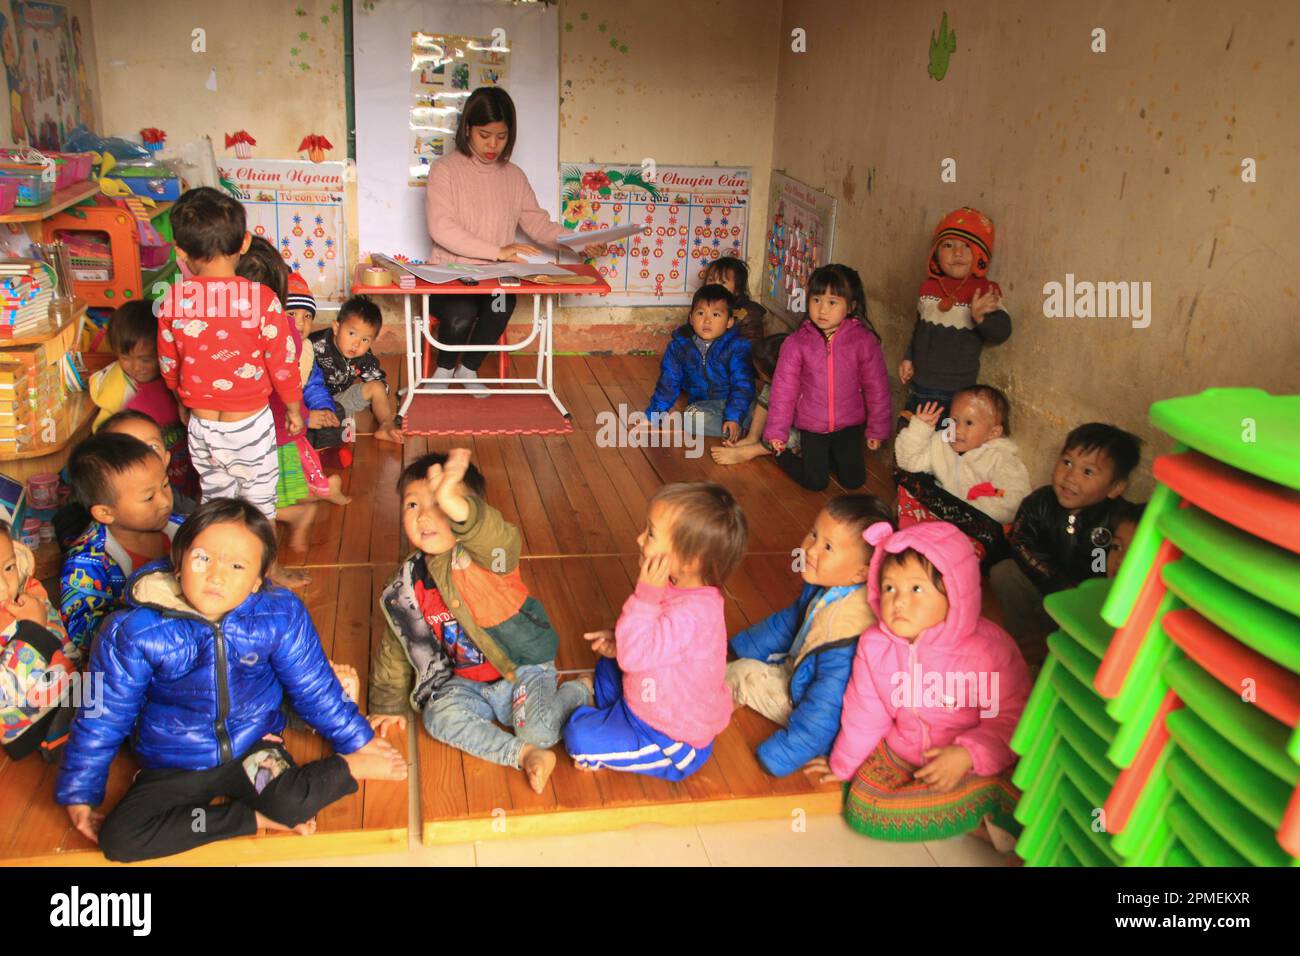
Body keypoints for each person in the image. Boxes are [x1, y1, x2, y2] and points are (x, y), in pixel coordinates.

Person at [54, 498, 407, 863]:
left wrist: (357, 742)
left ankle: (341, 772)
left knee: (290, 803)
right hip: (173, 763)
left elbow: (313, 686)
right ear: (179, 564)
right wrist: (79, 790)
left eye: (237, 565)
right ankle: (249, 818)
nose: (216, 576)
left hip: (253, 747)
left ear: (257, 581)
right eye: (203, 559)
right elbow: (101, 714)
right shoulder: (131, 631)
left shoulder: (279, 614)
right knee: (121, 838)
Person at [368, 449, 590, 794]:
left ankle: (580, 690)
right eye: (413, 505)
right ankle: (523, 754)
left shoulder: (487, 557)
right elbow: (397, 643)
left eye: (441, 505)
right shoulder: (409, 583)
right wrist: (387, 703)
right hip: (468, 680)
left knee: (540, 730)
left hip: (521, 667)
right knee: (436, 716)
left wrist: (457, 507)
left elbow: (500, 538)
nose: (425, 515)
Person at [808, 520, 1030, 848]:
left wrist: (969, 754)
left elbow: (1012, 718)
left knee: (1023, 783)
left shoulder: (989, 650)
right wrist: (843, 763)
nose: (898, 601)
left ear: (955, 593)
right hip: (904, 753)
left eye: (916, 589)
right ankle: (977, 820)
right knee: (861, 808)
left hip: (972, 760)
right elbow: (864, 713)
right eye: (888, 588)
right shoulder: (874, 645)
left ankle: (990, 804)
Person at [423, 86, 604, 390]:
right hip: (451, 277)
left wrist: (582, 241)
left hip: (494, 280)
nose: (493, 144)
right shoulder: (445, 171)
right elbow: (442, 228)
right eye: (484, 135)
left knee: (502, 303)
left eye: (502, 136)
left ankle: (467, 370)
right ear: (467, 128)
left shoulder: (514, 176)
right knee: (460, 312)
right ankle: (442, 371)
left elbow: (538, 224)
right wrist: (499, 251)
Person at [564, 483, 747, 780]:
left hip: (667, 735)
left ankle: (606, 743)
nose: (639, 538)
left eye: (650, 533)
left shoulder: (694, 615)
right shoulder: (684, 586)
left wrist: (645, 596)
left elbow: (640, 650)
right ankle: (607, 711)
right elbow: (654, 639)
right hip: (649, 696)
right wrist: (619, 641)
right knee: (609, 664)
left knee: (577, 736)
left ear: (689, 561)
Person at [156, 187, 303, 521]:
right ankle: (265, 567)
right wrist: (293, 407)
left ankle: (217, 564)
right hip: (249, 425)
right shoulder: (262, 299)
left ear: (180, 251)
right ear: (245, 243)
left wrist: (180, 399)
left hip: (202, 426)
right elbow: (282, 364)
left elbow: (169, 362)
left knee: (215, 503)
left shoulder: (172, 300)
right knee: (260, 504)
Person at [728, 494, 891, 777]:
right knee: (745, 661)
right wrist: (742, 645)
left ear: (861, 573)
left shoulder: (844, 633)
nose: (811, 549)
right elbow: (790, 622)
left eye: (827, 547)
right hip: (803, 673)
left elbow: (825, 707)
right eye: (814, 534)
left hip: (814, 712)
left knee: (742, 674)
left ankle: (698, 708)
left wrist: (783, 755)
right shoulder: (831, 586)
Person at [763, 264, 891, 491]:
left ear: (851, 306)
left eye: (832, 302)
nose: (822, 310)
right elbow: (784, 390)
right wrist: (777, 432)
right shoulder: (796, 343)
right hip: (812, 426)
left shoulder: (863, 341)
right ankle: (783, 456)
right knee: (815, 483)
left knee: (854, 481)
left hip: (849, 424)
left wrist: (877, 429)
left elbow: (877, 387)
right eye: (816, 300)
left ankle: (830, 459)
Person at [60, 432, 185, 654]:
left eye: (165, 485)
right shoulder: (85, 562)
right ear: (105, 513)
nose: (165, 501)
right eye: (149, 498)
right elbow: (81, 631)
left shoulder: (184, 529)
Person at [898, 207, 1012, 427]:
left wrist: (981, 318)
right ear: (936, 253)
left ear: (980, 254)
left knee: (944, 449)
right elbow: (919, 328)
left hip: (956, 394)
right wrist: (908, 357)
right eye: (948, 245)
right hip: (919, 385)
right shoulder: (928, 288)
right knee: (909, 438)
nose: (957, 253)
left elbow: (1002, 331)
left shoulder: (984, 291)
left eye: (967, 246)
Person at [0, 520, 77, 761]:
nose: (3, 586)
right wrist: (33, 629)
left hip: (75, 691)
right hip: (27, 728)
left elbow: (68, 649)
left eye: (8, 567)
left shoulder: (26, 594)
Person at [645, 283, 755, 440]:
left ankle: (739, 425)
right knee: (690, 418)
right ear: (691, 318)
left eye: (716, 315)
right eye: (701, 313)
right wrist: (652, 418)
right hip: (706, 406)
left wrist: (733, 416)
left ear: (730, 321)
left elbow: (743, 386)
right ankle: (743, 430)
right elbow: (668, 383)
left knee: (755, 407)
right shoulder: (679, 347)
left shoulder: (737, 347)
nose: (707, 321)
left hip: (737, 402)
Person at [308, 295, 403, 444]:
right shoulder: (313, 346)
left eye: (365, 340)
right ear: (336, 327)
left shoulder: (363, 355)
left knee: (377, 387)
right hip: (311, 404)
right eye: (352, 334)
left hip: (339, 402)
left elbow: (379, 383)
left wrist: (378, 396)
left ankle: (386, 425)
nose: (356, 344)